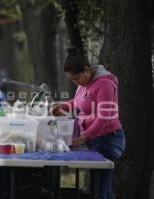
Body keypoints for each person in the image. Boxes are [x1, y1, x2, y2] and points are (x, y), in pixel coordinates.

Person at [52, 48, 126, 199]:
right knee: (101, 188)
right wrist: (63, 106)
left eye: (76, 79)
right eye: (72, 80)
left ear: (86, 70)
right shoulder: (84, 83)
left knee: (99, 188)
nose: (75, 83)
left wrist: (84, 137)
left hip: (108, 139)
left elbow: (105, 116)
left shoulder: (104, 84)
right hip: (95, 139)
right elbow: (78, 102)